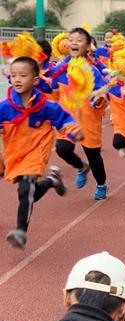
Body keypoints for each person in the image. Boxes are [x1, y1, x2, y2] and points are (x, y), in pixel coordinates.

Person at [0, 56, 83, 249]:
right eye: (13, 75)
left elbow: (64, 120)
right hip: (14, 153)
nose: (17, 79)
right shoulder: (5, 107)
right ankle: (52, 181)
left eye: (23, 75)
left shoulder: (46, 106)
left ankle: (21, 231)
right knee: (29, 193)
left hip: (37, 152)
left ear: (35, 80)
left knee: (25, 189)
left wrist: (74, 131)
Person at [52, 27, 109, 200]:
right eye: (71, 39)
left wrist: (98, 100)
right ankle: (81, 167)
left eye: (79, 40)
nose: (74, 43)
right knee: (62, 149)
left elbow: (101, 93)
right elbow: (53, 90)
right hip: (67, 118)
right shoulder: (61, 68)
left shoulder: (93, 71)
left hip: (87, 119)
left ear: (87, 46)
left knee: (93, 154)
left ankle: (101, 184)